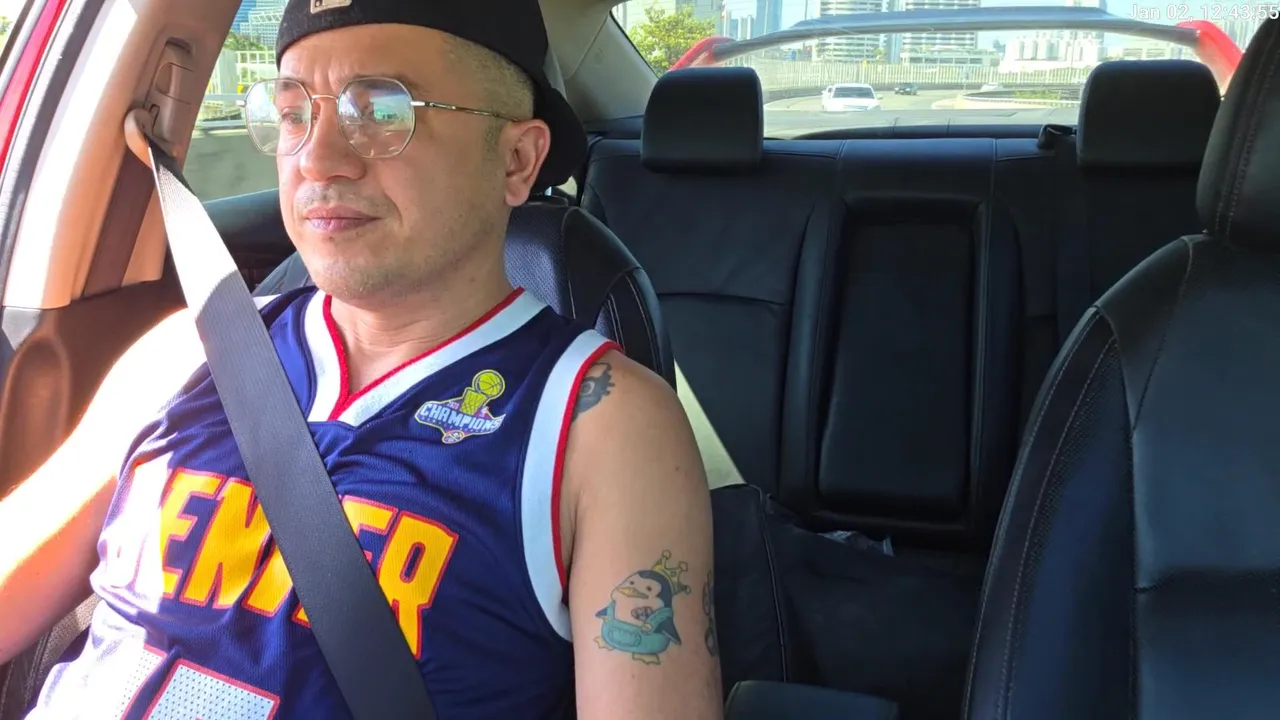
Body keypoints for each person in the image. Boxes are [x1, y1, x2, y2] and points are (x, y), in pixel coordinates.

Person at [0, 0, 721, 717]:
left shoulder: (602, 428)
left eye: (380, 112)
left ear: (517, 160)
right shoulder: (187, 352)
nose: (316, 159)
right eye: (293, 114)